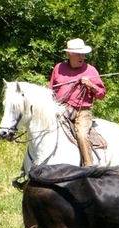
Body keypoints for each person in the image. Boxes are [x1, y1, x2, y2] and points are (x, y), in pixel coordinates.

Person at [49, 38, 106, 167]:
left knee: (81, 134)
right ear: (69, 54)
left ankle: (88, 166)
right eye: (78, 54)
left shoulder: (90, 70)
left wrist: (91, 85)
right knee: (42, 128)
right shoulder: (59, 68)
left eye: (83, 54)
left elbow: (102, 94)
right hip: (60, 108)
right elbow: (50, 90)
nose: (82, 57)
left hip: (82, 111)